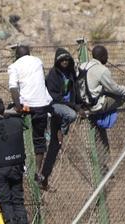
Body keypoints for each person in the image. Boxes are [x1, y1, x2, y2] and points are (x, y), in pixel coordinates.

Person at [8, 45, 76, 185]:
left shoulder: (14, 66)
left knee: (13, 128)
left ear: (16, 56)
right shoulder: (38, 61)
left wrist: (17, 106)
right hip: (41, 106)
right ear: (29, 53)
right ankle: (38, 172)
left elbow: (13, 87)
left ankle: (18, 163)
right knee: (39, 139)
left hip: (26, 106)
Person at [78, 45, 125, 164]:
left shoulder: (82, 65)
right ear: (102, 56)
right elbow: (115, 89)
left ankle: (103, 163)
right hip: (97, 105)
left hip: (84, 104)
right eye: (106, 55)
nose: (107, 58)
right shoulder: (102, 70)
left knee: (99, 134)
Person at [41, 48, 80, 191]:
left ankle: (44, 177)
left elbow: (75, 91)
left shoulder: (70, 74)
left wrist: (79, 104)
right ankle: (60, 131)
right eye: (62, 60)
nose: (64, 62)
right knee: (72, 115)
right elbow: (55, 97)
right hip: (55, 107)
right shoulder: (53, 75)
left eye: (67, 60)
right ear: (57, 61)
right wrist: (73, 106)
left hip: (67, 106)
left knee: (54, 148)